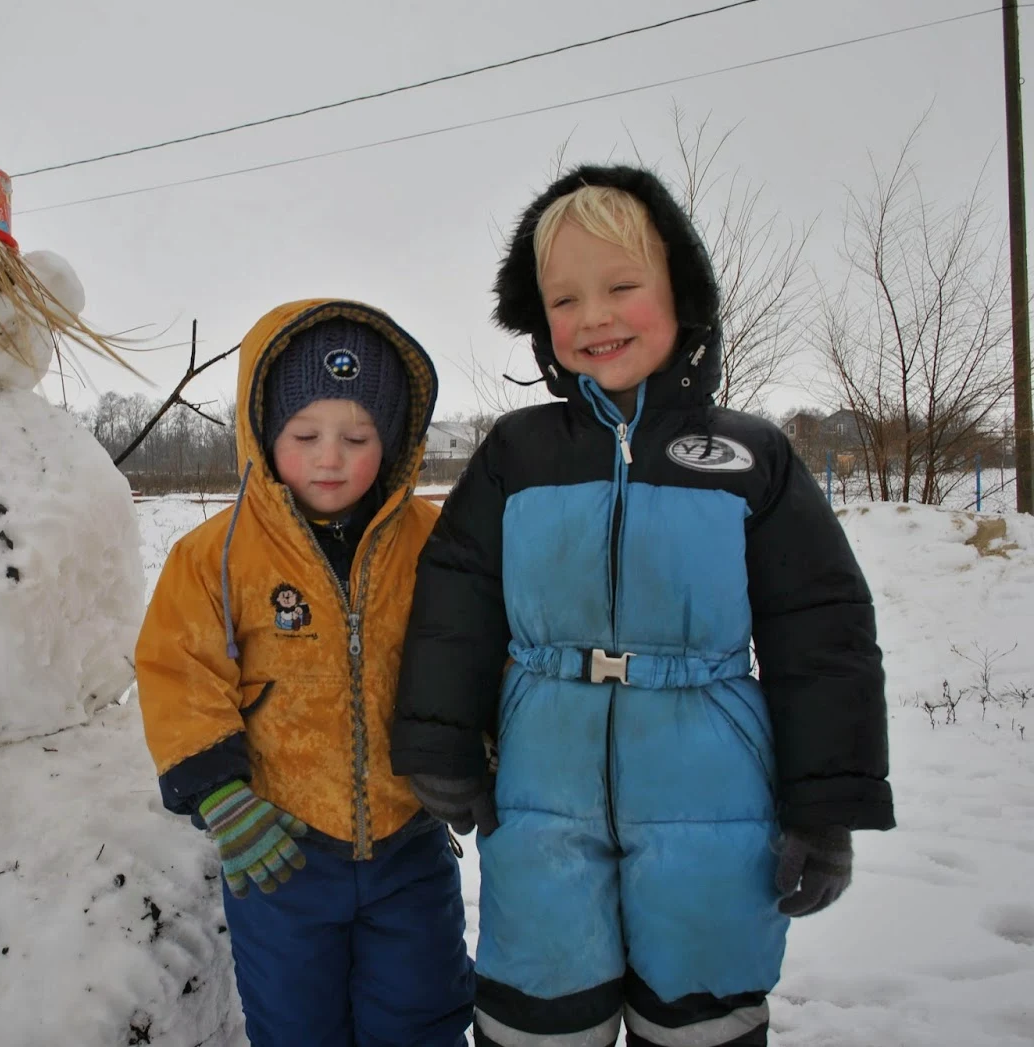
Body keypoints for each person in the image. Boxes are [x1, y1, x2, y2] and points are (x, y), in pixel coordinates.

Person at [391, 165, 894, 1047]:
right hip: (543, 787)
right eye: (566, 298)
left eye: (622, 287)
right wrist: (442, 741)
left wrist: (825, 805)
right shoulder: (518, 451)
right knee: (537, 1007)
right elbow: (455, 597)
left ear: (682, 296)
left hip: (712, 793)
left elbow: (821, 630)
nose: (595, 316)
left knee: (702, 1008)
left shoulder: (750, 457)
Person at [136, 299, 473, 1046]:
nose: (331, 457)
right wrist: (221, 795)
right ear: (262, 433)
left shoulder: (435, 540)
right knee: (296, 1025)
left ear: (396, 439)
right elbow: (178, 672)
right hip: (277, 851)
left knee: (423, 1014)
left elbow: (478, 644)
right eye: (305, 434)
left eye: (358, 436)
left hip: (409, 841)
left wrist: (478, 743)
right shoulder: (214, 555)